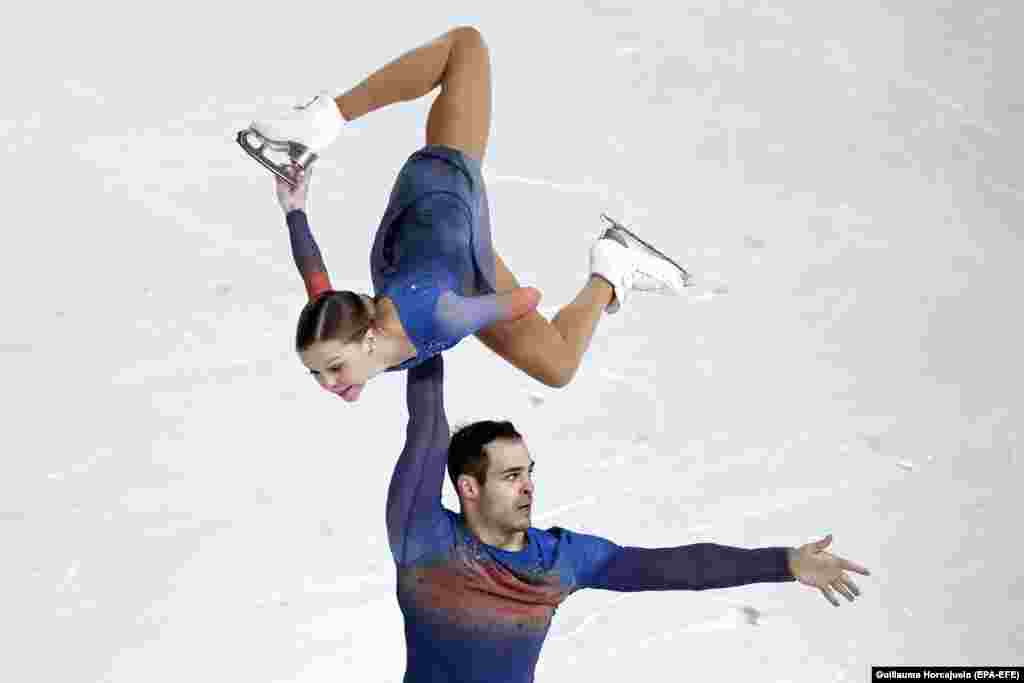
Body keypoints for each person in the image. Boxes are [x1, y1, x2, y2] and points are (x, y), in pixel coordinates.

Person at [240, 26, 691, 403]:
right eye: (318, 374)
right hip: (442, 255)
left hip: (442, 197)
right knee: (556, 367)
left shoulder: (441, 316)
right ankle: (612, 263)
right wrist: (294, 210)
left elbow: (525, 300)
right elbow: (314, 275)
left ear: (369, 337)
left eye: (333, 368)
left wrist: (476, 311)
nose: (328, 384)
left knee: (465, 50)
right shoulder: (359, 329)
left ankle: (322, 119)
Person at [387, 353, 872, 682]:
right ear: (469, 488)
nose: (529, 485)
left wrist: (784, 562)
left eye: (529, 472)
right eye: (511, 476)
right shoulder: (424, 538)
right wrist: (425, 334)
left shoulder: (560, 560)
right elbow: (426, 426)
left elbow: (675, 568)